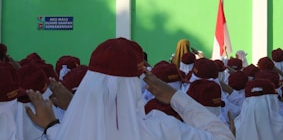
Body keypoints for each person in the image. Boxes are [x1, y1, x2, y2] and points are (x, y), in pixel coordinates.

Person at [25, 37, 235, 140]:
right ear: (136, 83)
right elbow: (223, 137)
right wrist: (174, 96)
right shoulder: (160, 129)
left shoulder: (67, 132)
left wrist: (51, 125)